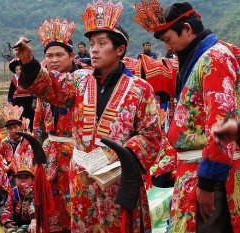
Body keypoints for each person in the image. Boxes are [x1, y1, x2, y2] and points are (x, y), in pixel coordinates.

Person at [14, 0, 162, 232]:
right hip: (83, 180)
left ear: (120, 49)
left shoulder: (140, 89)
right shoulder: (79, 81)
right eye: (92, 43)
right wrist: (28, 62)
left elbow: (151, 135)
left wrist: (123, 155)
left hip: (119, 179)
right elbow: (50, 86)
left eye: (102, 43)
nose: (93, 49)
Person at [133, 1, 240, 232]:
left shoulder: (214, 58)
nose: (168, 48)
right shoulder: (196, 59)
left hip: (207, 174)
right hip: (190, 169)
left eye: (168, 39)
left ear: (188, 30)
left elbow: (223, 122)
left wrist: (208, 182)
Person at [33, 17, 78, 232]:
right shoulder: (44, 88)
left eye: (59, 55)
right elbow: (39, 128)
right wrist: (37, 158)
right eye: (49, 56)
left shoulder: (84, 82)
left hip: (77, 155)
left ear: (72, 56)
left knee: (78, 210)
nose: (54, 60)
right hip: (51, 156)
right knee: (53, 214)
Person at [0, 103, 34, 187]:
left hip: (25, 173)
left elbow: (28, 157)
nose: (13, 130)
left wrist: (9, 167)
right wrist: (1, 163)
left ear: (21, 127)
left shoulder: (29, 140)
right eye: (10, 128)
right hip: (9, 173)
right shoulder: (6, 141)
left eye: (15, 127)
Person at [7, 58, 36, 132]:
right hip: (18, 102)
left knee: (30, 116)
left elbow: (34, 90)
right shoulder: (14, 79)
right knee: (19, 116)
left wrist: (34, 100)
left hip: (28, 101)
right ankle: (20, 131)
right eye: (17, 70)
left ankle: (31, 131)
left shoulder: (29, 78)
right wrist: (10, 101)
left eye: (20, 69)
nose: (19, 71)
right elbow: (11, 91)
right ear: (15, 71)